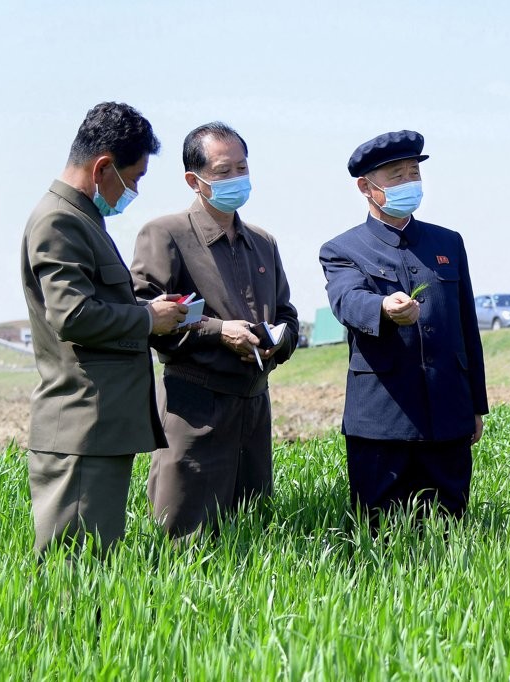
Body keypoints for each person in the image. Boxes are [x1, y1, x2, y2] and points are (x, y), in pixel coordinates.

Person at [20, 102, 187, 555]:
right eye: (132, 179)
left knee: (94, 568)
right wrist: (147, 318)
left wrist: (145, 309)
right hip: (80, 429)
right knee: (74, 575)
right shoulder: (60, 221)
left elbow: (97, 304)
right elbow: (72, 315)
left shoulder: (80, 219)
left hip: (98, 428)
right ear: (102, 168)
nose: (131, 191)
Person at [131, 122, 299, 539]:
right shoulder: (165, 234)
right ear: (195, 179)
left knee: (252, 537)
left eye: (242, 167)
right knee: (184, 538)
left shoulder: (263, 242)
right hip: (194, 406)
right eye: (223, 171)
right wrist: (219, 331)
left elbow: (287, 314)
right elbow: (144, 313)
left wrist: (277, 341)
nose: (236, 179)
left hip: (253, 408)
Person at [319, 130, 488, 524]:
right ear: (366, 187)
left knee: (450, 531)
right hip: (381, 422)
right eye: (396, 176)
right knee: (379, 535)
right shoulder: (343, 249)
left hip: (447, 415)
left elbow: (467, 328)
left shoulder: (447, 242)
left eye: (414, 173)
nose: (409, 183)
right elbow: (346, 299)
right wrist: (382, 306)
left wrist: (475, 406)